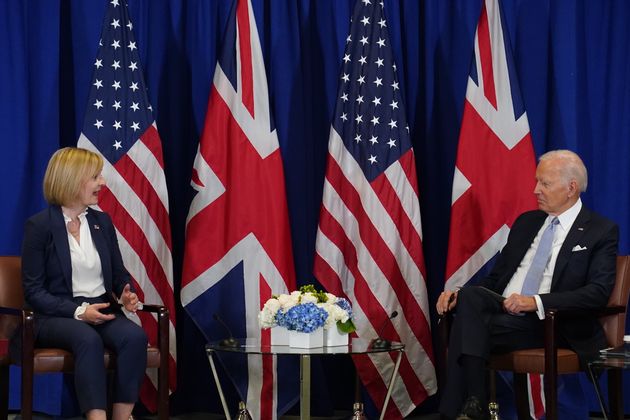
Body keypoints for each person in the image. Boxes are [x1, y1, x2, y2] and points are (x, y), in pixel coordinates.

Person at [436, 150, 618, 420]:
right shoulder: (526, 223)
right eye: (537, 182)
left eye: (544, 183)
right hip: (502, 312)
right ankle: (474, 403)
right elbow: (496, 280)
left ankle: (459, 410)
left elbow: (597, 293)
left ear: (571, 188)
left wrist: (535, 302)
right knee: (469, 298)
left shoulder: (600, 230)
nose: (535, 190)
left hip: (551, 322)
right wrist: (458, 296)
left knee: (465, 327)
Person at [20, 147, 147, 420]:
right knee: (87, 339)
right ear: (72, 179)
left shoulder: (102, 221)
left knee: (135, 337)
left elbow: (118, 273)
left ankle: (122, 417)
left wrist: (126, 294)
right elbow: (33, 291)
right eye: (95, 177)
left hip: (100, 308)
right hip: (57, 314)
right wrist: (79, 312)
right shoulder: (39, 226)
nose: (103, 182)